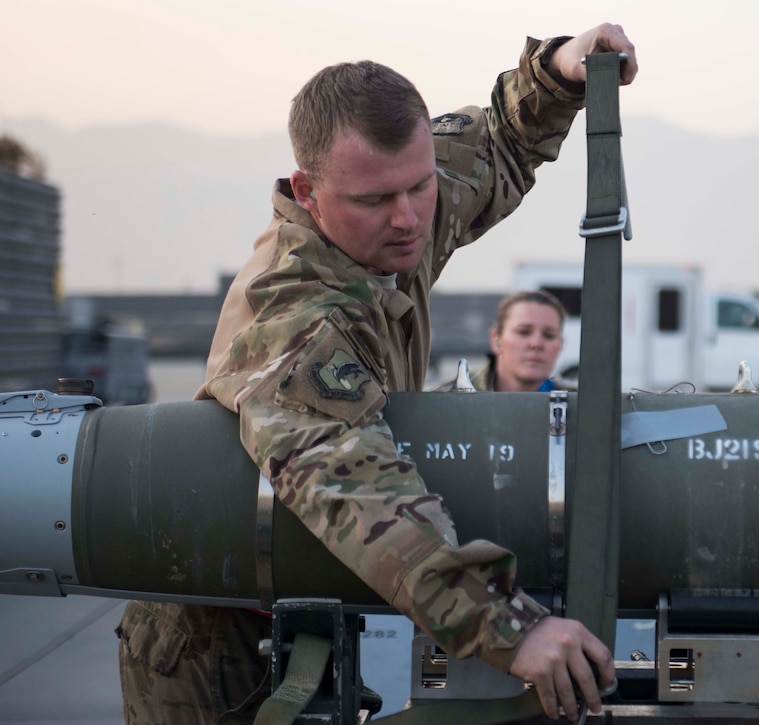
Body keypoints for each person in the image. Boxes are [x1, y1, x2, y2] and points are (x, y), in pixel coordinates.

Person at [115, 23, 638, 725]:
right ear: (308, 191)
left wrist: (558, 72)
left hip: (308, 607)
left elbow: (496, 146)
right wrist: (512, 628)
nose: (408, 219)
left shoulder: (400, 206)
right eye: (374, 200)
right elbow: (360, 493)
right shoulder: (293, 315)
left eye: (419, 186)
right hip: (219, 639)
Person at [439, 289, 575, 392]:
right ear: (496, 339)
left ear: (561, 345)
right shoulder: (446, 401)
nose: (536, 344)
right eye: (523, 332)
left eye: (549, 335)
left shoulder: (583, 407)